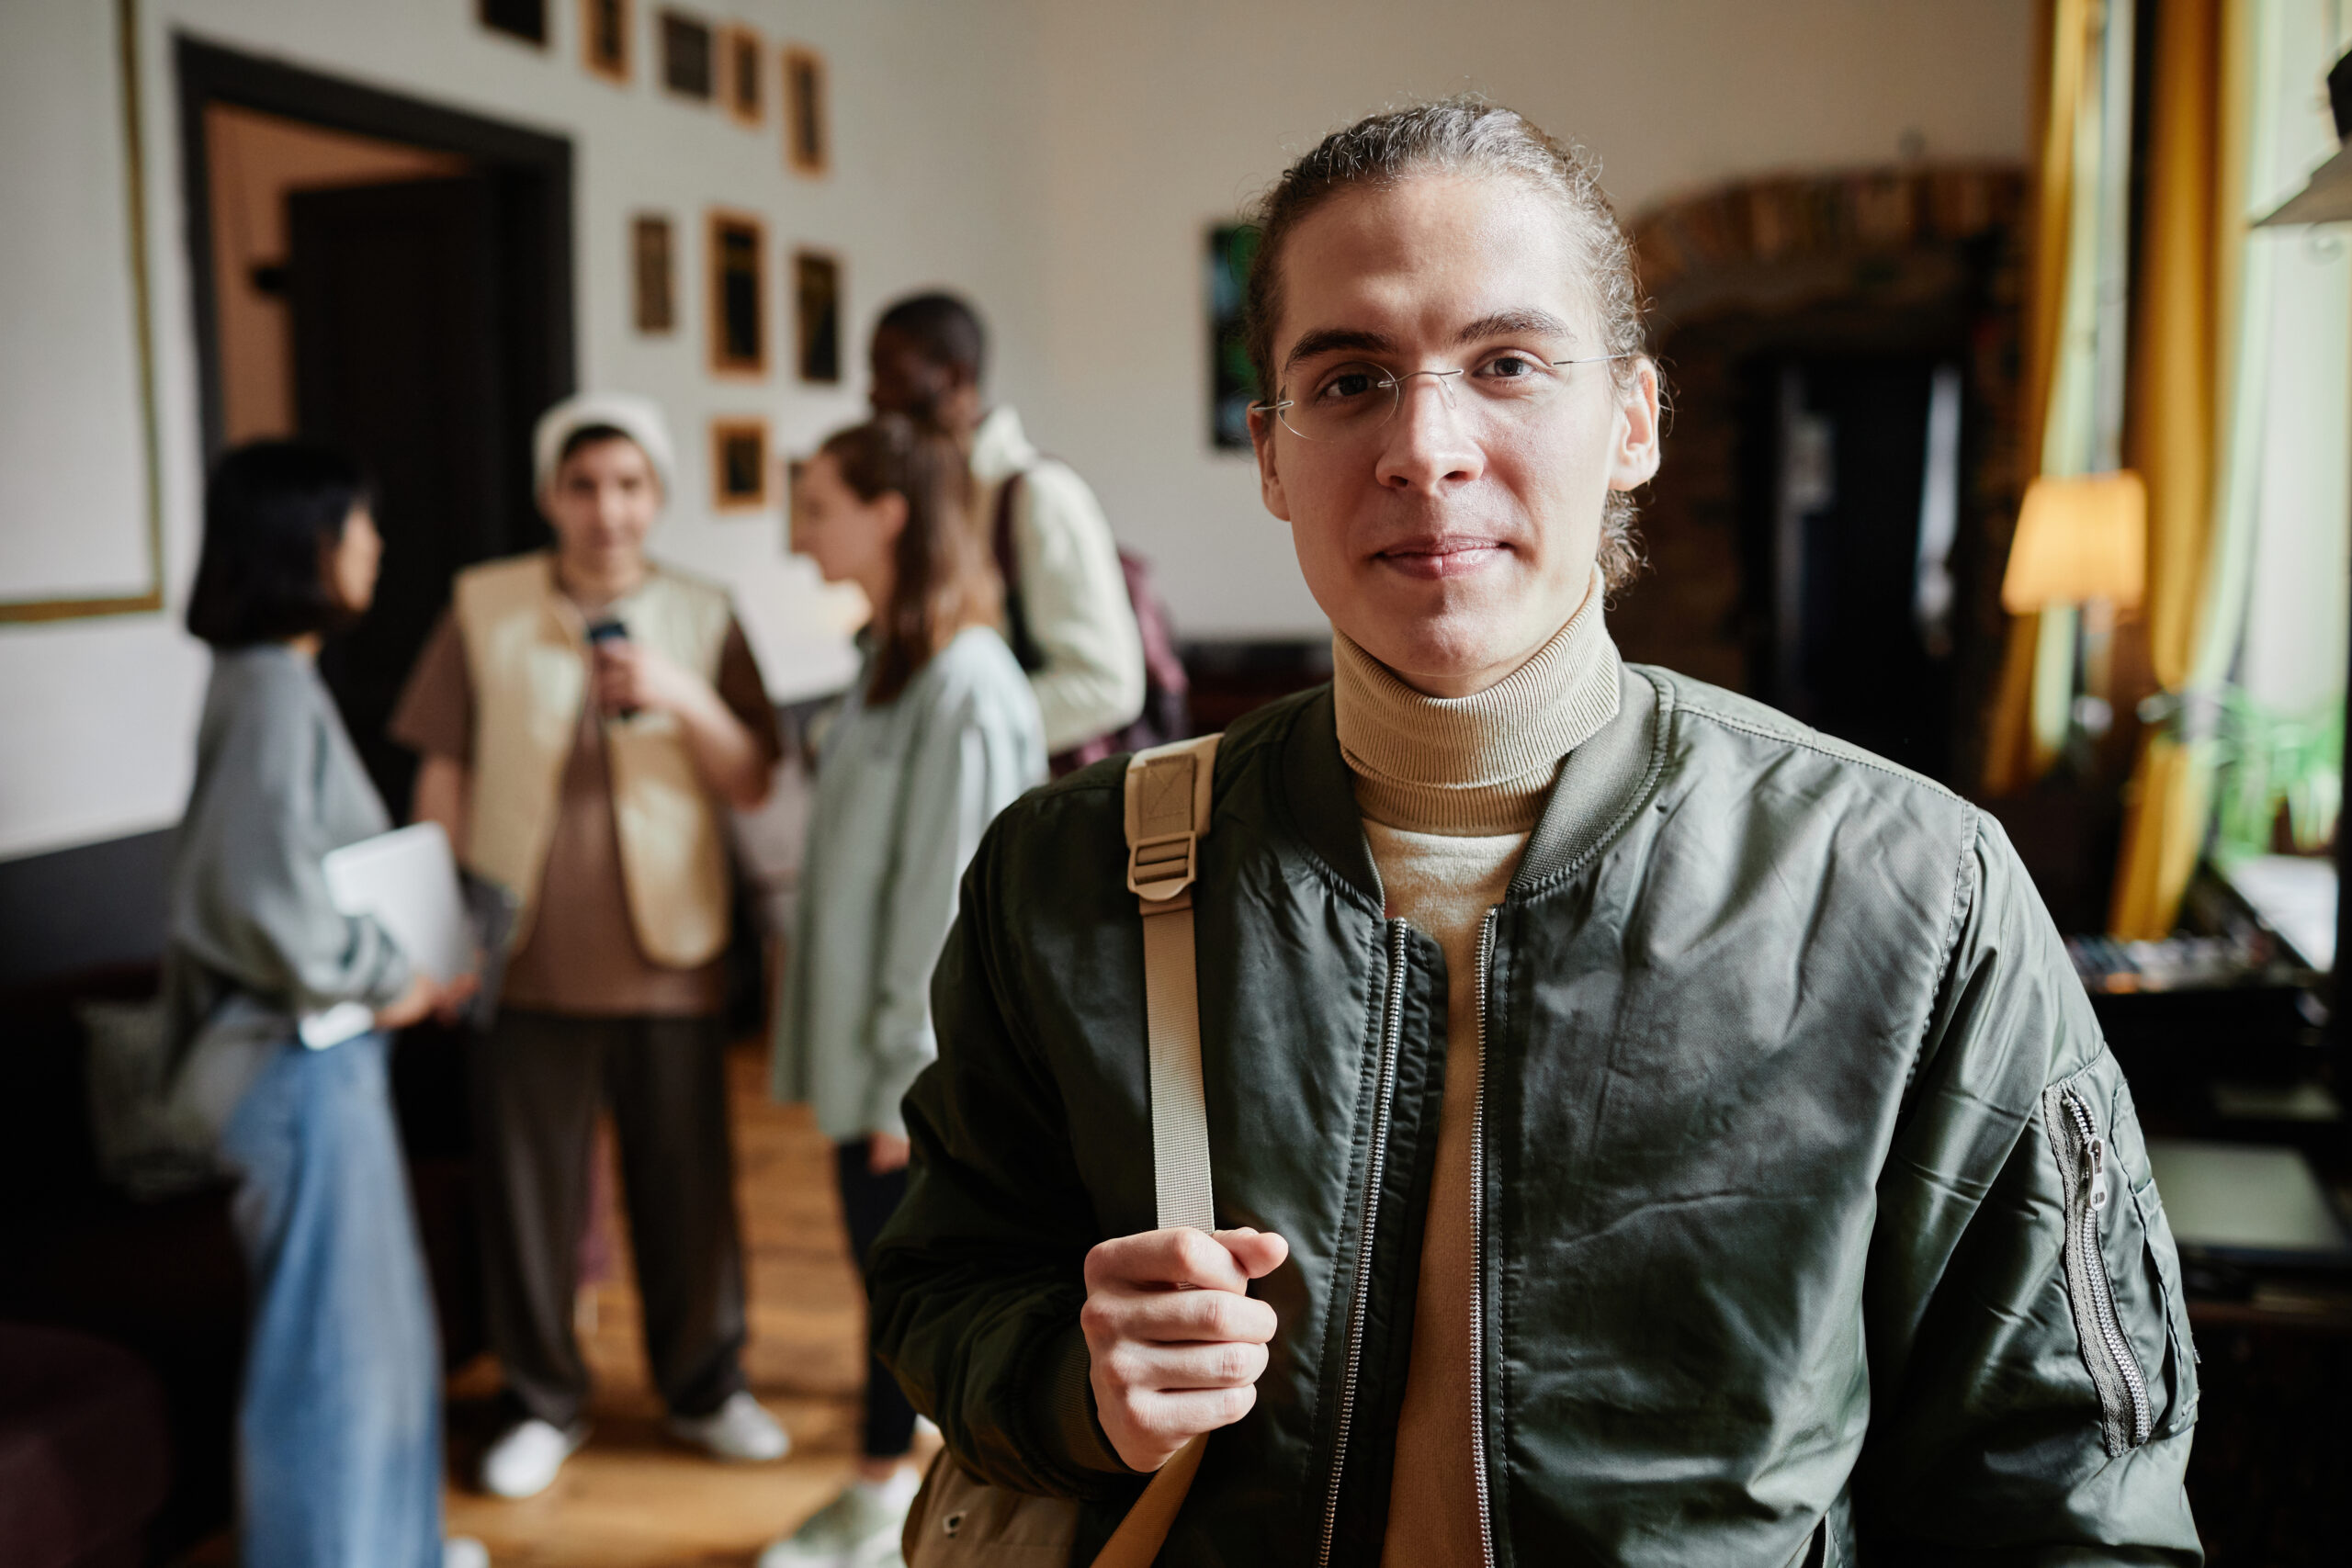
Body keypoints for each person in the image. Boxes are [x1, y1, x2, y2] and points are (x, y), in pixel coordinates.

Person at [869, 100, 2202, 1566]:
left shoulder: (1913, 891)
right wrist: (1074, 1381)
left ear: (1633, 419)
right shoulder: (1069, 875)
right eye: (1352, 379)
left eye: (1506, 363)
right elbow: (943, 1283)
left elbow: (2067, 1485)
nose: (1425, 446)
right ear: (1272, 454)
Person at [390, 392, 788, 1499]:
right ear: (548, 497)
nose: (606, 511)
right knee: (528, 1195)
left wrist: (678, 695)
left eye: (628, 487)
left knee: (686, 1185)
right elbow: (442, 776)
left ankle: (705, 1387)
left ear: (656, 497)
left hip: (672, 952)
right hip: (520, 956)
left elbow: (753, 777)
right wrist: (440, 934)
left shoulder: (704, 613)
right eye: (583, 487)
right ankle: (540, 1399)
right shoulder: (483, 606)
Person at [166, 441, 486, 1568]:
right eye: (359, 525)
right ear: (307, 543)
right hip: (292, 1070)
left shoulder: (275, 681)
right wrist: (390, 977)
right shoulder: (266, 690)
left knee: (372, 1339)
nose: (376, 546)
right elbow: (263, 898)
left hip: (317, 1065)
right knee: (332, 1360)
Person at [759, 414, 1046, 1567]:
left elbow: (948, 907)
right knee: (882, 1278)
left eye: (817, 509)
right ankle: (893, 1487)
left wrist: (902, 1086)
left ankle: (886, 1501)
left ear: (888, 516)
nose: (799, 535)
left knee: (903, 1287)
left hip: (908, 1073)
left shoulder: (964, 686)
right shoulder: (885, 667)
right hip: (861, 1047)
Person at [867, 291, 1147, 763]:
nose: (873, 396)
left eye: (890, 375)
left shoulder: (1039, 495)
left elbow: (1106, 685)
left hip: (1043, 794)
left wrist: (955, 736)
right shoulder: (929, 502)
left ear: (955, 376)